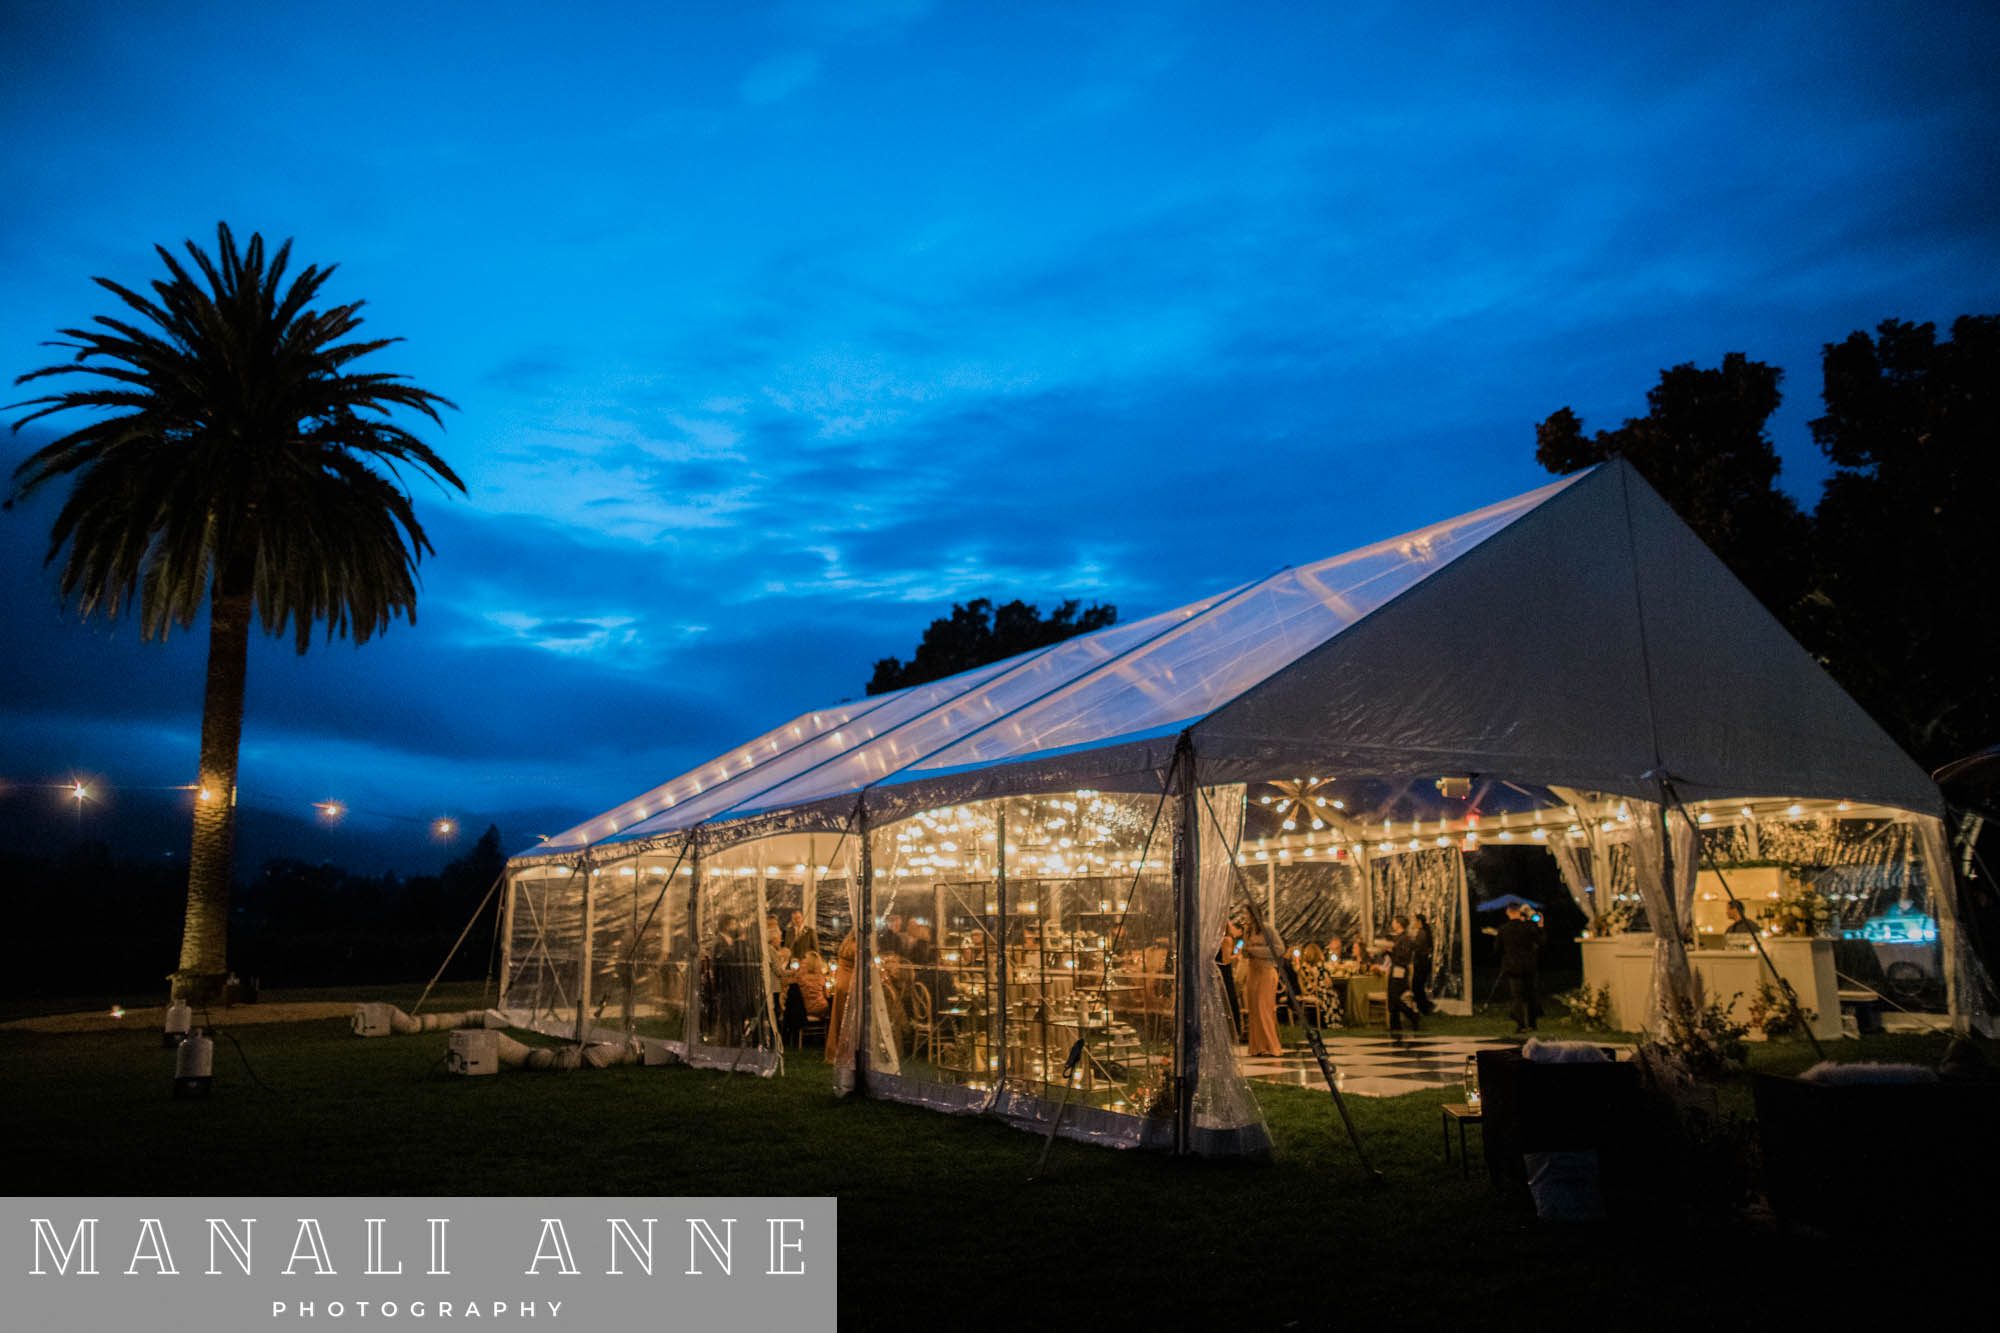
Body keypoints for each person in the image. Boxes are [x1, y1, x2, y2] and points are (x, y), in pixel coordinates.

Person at [1494, 903, 1545, 1032]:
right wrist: (1540, 926)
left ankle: (1521, 1024)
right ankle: (1533, 1024)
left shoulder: (1503, 929)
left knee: (1517, 996)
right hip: (1529, 965)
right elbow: (1541, 941)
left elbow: (1497, 949)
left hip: (1512, 966)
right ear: (1520, 912)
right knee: (1531, 995)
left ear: (1508, 912)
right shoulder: (1528, 926)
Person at [1241, 929, 1283, 1056]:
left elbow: (1280, 949)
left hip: (1266, 970)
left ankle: (1271, 1046)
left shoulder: (1267, 930)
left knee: (1263, 1007)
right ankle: (1257, 1047)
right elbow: (1244, 952)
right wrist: (1246, 951)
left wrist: (1255, 950)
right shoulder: (1247, 932)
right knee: (1253, 1009)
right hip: (1253, 970)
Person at [1377, 916, 1421, 1034]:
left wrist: (1393, 950)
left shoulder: (1405, 939)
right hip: (1394, 968)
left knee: (1396, 997)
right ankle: (1395, 1025)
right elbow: (1388, 953)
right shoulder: (1395, 938)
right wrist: (1386, 950)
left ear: (1399, 924)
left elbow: (1404, 956)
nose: (1392, 924)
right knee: (1392, 997)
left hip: (1400, 970)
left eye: (1394, 922)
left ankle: (1412, 1015)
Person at [1410, 913, 1437, 1014]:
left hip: (1421, 964)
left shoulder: (1422, 933)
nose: (1413, 923)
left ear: (1419, 922)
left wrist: (1409, 943)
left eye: (1415, 921)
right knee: (1418, 986)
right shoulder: (1425, 932)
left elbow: (1417, 947)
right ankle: (1425, 1006)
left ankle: (1424, 1007)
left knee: (1417, 987)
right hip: (1423, 963)